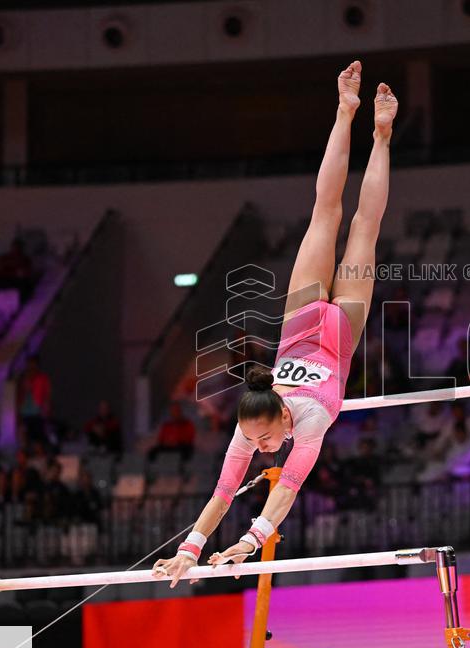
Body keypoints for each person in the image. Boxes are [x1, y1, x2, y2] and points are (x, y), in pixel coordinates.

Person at [153, 61, 398, 586]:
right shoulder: (254, 422)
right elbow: (222, 492)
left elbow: (285, 489)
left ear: (283, 419)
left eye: (263, 440)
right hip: (333, 324)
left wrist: (245, 544)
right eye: (255, 440)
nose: (261, 448)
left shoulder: (306, 423)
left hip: (309, 316)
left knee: (330, 215)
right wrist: (190, 551)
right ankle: (376, 134)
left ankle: (348, 111)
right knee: (356, 224)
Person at [17, 355, 51, 442]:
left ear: (37, 365)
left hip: (37, 411)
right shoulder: (23, 378)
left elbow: (46, 394)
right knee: (23, 432)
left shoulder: (42, 378)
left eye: (33, 364)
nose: (30, 366)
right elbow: (19, 395)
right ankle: (24, 452)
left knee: (37, 436)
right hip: (24, 410)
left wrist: (45, 410)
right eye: (29, 364)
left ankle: (39, 450)